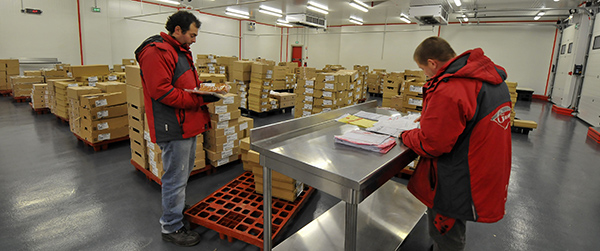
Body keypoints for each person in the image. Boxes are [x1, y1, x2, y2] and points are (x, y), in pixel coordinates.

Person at [400, 37, 512, 251]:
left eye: (423, 68)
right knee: (454, 227)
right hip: (483, 167)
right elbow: (470, 119)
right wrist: (433, 118)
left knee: (446, 233)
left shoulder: (451, 88)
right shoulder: (488, 80)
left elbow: (432, 143)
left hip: (457, 176)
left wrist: (405, 135)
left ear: (432, 63)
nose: (425, 73)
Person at [135, 11, 219, 247]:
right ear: (178, 30)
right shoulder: (156, 51)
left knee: (183, 172)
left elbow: (185, 85)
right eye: (192, 35)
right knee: (175, 176)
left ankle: (177, 208)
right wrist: (198, 100)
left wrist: (204, 93)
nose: (194, 39)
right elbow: (160, 91)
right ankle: (171, 226)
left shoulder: (178, 50)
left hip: (187, 122)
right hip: (173, 125)